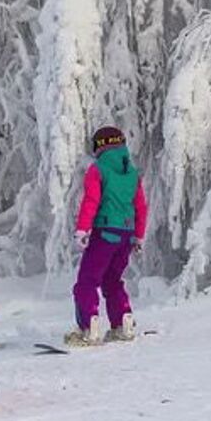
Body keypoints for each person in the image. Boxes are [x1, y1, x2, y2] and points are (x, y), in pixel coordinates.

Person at [66, 124, 147, 347]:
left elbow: (91, 201)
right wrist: (138, 236)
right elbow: (141, 206)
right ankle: (123, 322)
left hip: (105, 233)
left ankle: (87, 328)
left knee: (87, 281)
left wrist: (83, 229)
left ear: (99, 147)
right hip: (127, 235)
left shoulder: (98, 170)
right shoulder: (132, 173)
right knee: (112, 280)